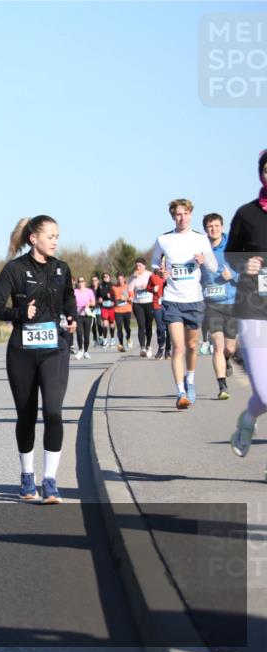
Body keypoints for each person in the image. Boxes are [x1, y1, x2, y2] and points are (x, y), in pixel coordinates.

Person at [0, 215, 76, 505]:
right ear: (33, 239)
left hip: (55, 349)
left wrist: (72, 318)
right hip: (22, 352)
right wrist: (18, 314)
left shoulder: (61, 268)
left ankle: (50, 480)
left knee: (53, 412)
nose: (55, 241)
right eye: (50, 236)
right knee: (26, 415)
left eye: (57, 236)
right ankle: (27, 475)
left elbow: (68, 300)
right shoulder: (14, 270)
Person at [152, 198, 218, 409]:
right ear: (173, 217)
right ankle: (180, 391)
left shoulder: (200, 239)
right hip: (172, 299)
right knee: (178, 347)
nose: (182, 218)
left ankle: (190, 381)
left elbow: (214, 266)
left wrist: (204, 260)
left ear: (191, 215)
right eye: (178, 214)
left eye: (185, 213)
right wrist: (159, 270)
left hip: (194, 300)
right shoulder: (163, 239)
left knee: (191, 346)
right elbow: (155, 262)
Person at [226, 149, 267, 465]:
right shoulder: (246, 214)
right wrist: (244, 264)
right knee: (265, 395)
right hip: (252, 308)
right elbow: (230, 254)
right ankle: (249, 418)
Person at [201, 213, 238, 400]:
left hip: (232, 303)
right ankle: (222, 386)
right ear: (205, 229)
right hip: (212, 305)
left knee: (229, 348)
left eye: (216, 225)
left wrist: (233, 275)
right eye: (209, 226)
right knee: (217, 346)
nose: (213, 229)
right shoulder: (201, 248)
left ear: (222, 227)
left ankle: (228, 359)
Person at [128, 259, 155, 357]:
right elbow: (130, 289)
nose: (138, 267)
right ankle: (142, 347)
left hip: (149, 302)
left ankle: (148, 345)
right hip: (137, 303)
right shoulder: (133, 276)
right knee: (141, 325)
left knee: (148, 326)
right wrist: (134, 278)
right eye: (136, 266)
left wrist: (147, 287)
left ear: (144, 266)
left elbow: (155, 286)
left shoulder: (150, 275)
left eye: (139, 265)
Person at [149, 263, 169, 359]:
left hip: (169, 304)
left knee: (169, 328)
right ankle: (161, 347)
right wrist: (152, 288)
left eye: (163, 265)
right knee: (160, 327)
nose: (161, 267)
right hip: (157, 304)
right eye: (159, 265)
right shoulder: (152, 276)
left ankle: (168, 350)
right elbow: (147, 288)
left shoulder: (170, 275)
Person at [73, 276, 95, 360]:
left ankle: (86, 351)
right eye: (79, 281)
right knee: (79, 333)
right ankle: (80, 350)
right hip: (78, 315)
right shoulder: (75, 292)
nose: (81, 283)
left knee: (86, 335)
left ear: (85, 282)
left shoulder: (89, 291)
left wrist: (88, 304)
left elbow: (93, 302)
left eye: (82, 281)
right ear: (77, 283)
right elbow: (72, 302)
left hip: (87, 315)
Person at [112, 273, 133, 352]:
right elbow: (111, 297)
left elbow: (131, 298)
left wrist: (126, 298)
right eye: (118, 279)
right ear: (117, 279)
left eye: (121, 279)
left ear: (124, 279)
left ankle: (128, 338)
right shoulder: (114, 287)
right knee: (119, 328)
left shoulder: (128, 286)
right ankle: (121, 345)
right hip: (117, 311)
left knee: (127, 327)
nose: (120, 281)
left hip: (127, 310)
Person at [97, 272, 116, 347]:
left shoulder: (113, 286)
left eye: (107, 276)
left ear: (109, 277)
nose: (105, 278)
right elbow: (97, 295)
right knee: (105, 323)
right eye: (104, 277)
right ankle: (105, 340)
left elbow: (116, 296)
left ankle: (112, 339)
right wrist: (99, 299)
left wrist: (113, 300)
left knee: (111, 324)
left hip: (111, 307)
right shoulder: (100, 286)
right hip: (104, 307)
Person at [89, 275, 103, 346]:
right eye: (93, 280)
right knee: (93, 324)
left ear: (98, 281)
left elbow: (104, 296)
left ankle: (100, 336)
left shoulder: (101, 288)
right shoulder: (89, 289)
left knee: (99, 323)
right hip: (92, 308)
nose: (94, 282)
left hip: (99, 308)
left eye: (95, 280)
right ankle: (95, 339)